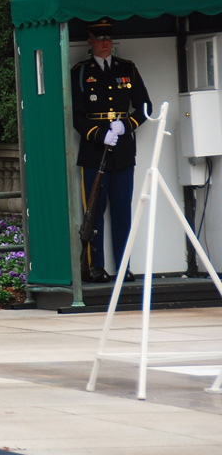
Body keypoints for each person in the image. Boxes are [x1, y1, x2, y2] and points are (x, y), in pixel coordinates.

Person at [72, 20, 151, 282]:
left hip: (123, 151)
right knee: (94, 210)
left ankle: (124, 267)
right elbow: (77, 116)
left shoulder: (126, 69)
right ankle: (96, 267)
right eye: (99, 37)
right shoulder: (82, 73)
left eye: (108, 37)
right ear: (90, 41)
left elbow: (145, 108)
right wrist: (99, 135)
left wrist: (126, 125)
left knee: (122, 211)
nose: (105, 42)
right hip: (95, 152)